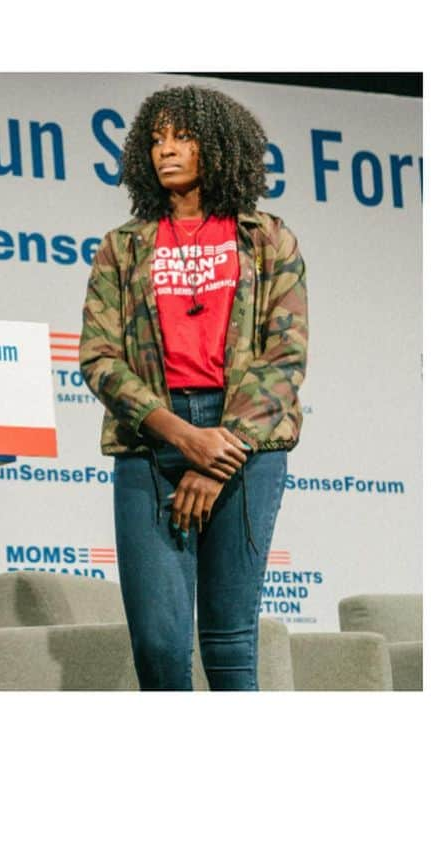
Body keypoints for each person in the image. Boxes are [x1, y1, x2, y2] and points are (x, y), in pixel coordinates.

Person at [79, 84, 307, 691]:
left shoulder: (268, 240)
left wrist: (217, 456)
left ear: (220, 146)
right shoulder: (123, 247)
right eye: (156, 140)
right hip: (151, 440)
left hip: (245, 446)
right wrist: (182, 437)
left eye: (182, 136)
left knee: (230, 643)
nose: (166, 151)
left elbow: (284, 359)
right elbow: (99, 358)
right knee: (158, 643)